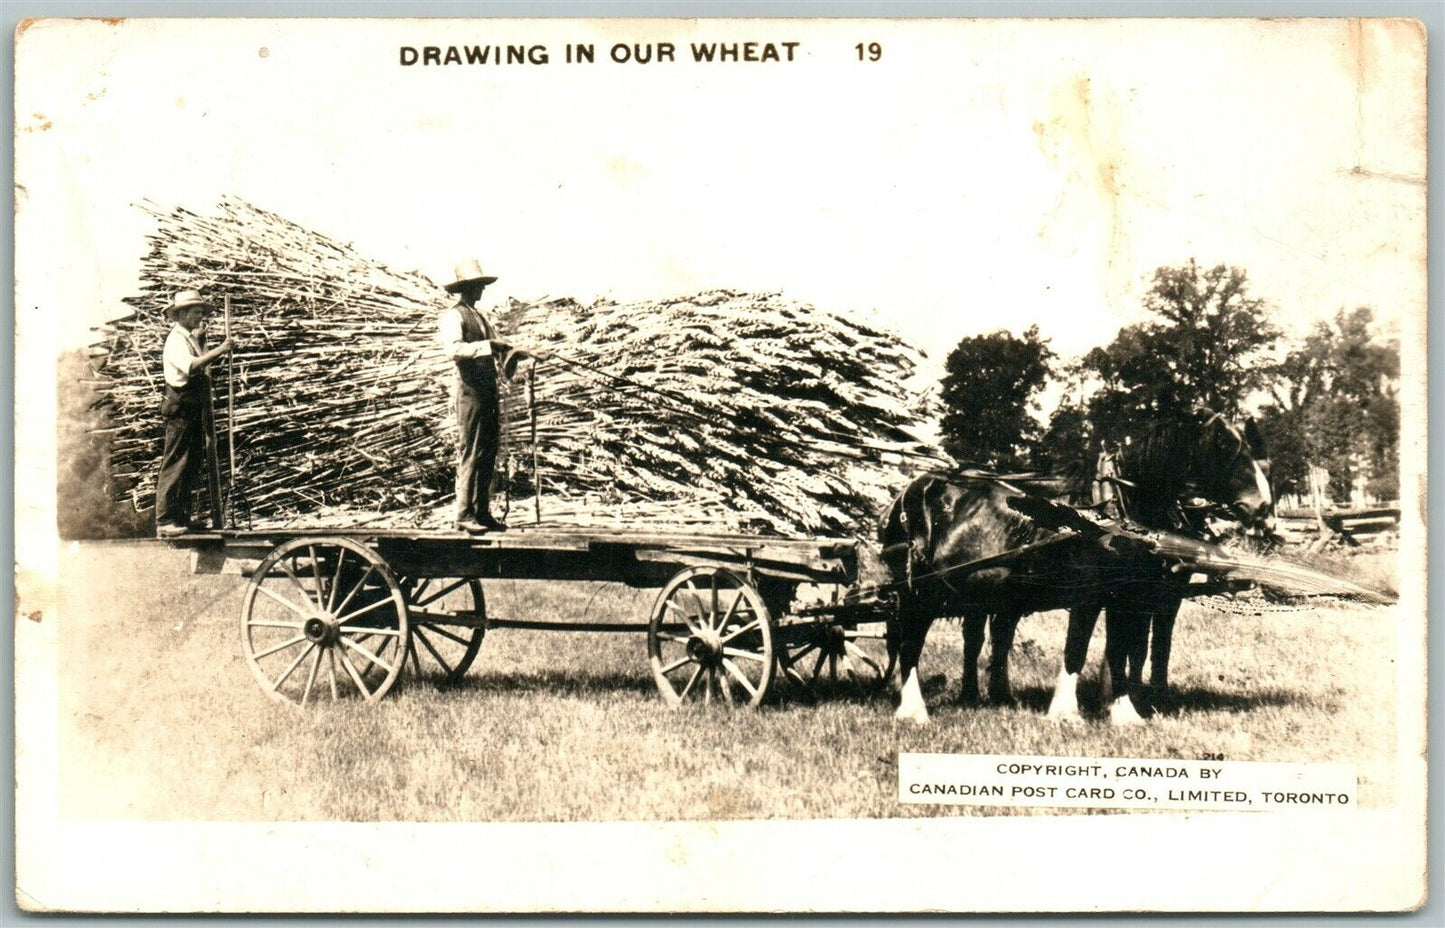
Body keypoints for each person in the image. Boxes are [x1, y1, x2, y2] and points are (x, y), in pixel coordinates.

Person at [439, 259, 544, 533]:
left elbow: (500, 348)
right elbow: (454, 350)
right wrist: (488, 345)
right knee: (471, 452)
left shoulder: (482, 317)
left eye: (482, 286)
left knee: (488, 452)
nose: (481, 291)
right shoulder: (455, 316)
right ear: (465, 288)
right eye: (476, 286)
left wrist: (522, 353)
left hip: (487, 393)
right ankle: (463, 514)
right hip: (470, 393)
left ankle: (482, 512)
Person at [154, 289, 233, 537]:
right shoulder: (175, 340)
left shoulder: (187, 337)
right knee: (176, 461)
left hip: (192, 406)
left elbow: (196, 356)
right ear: (184, 314)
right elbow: (190, 366)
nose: (201, 316)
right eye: (197, 312)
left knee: (191, 463)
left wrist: (199, 340)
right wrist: (221, 349)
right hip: (180, 407)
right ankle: (165, 520)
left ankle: (182, 518)